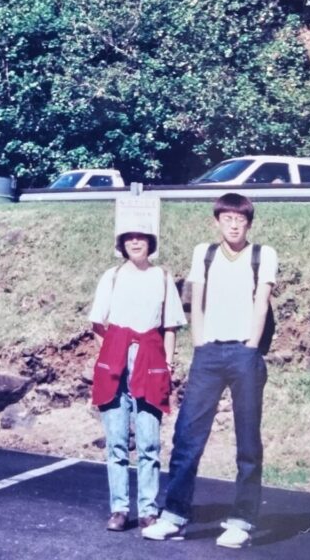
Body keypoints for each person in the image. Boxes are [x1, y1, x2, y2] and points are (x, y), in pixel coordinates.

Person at [143, 192, 277, 548]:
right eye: (227, 218)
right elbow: (195, 301)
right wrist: (200, 343)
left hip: (244, 356)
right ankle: (173, 515)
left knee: (248, 441)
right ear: (217, 221)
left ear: (248, 222)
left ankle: (242, 520)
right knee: (188, 436)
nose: (234, 224)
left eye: (241, 219)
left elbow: (261, 304)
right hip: (208, 354)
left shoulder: (263, 255)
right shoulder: (205, 253)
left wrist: (250, 346)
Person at [89, 212, 186, 532]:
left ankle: (147, 508)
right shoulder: (112, 276)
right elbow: (97, 323)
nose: (135, 242)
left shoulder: (161, 277)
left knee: (148, 442)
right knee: (116, 441)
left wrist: (167, 365)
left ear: (150, 243)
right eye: (129, 237)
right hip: (116, 362)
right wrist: (114, 351)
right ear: (122, 244)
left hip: (151, 362)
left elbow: (170, 325)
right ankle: (119, 509)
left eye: (141, 237)